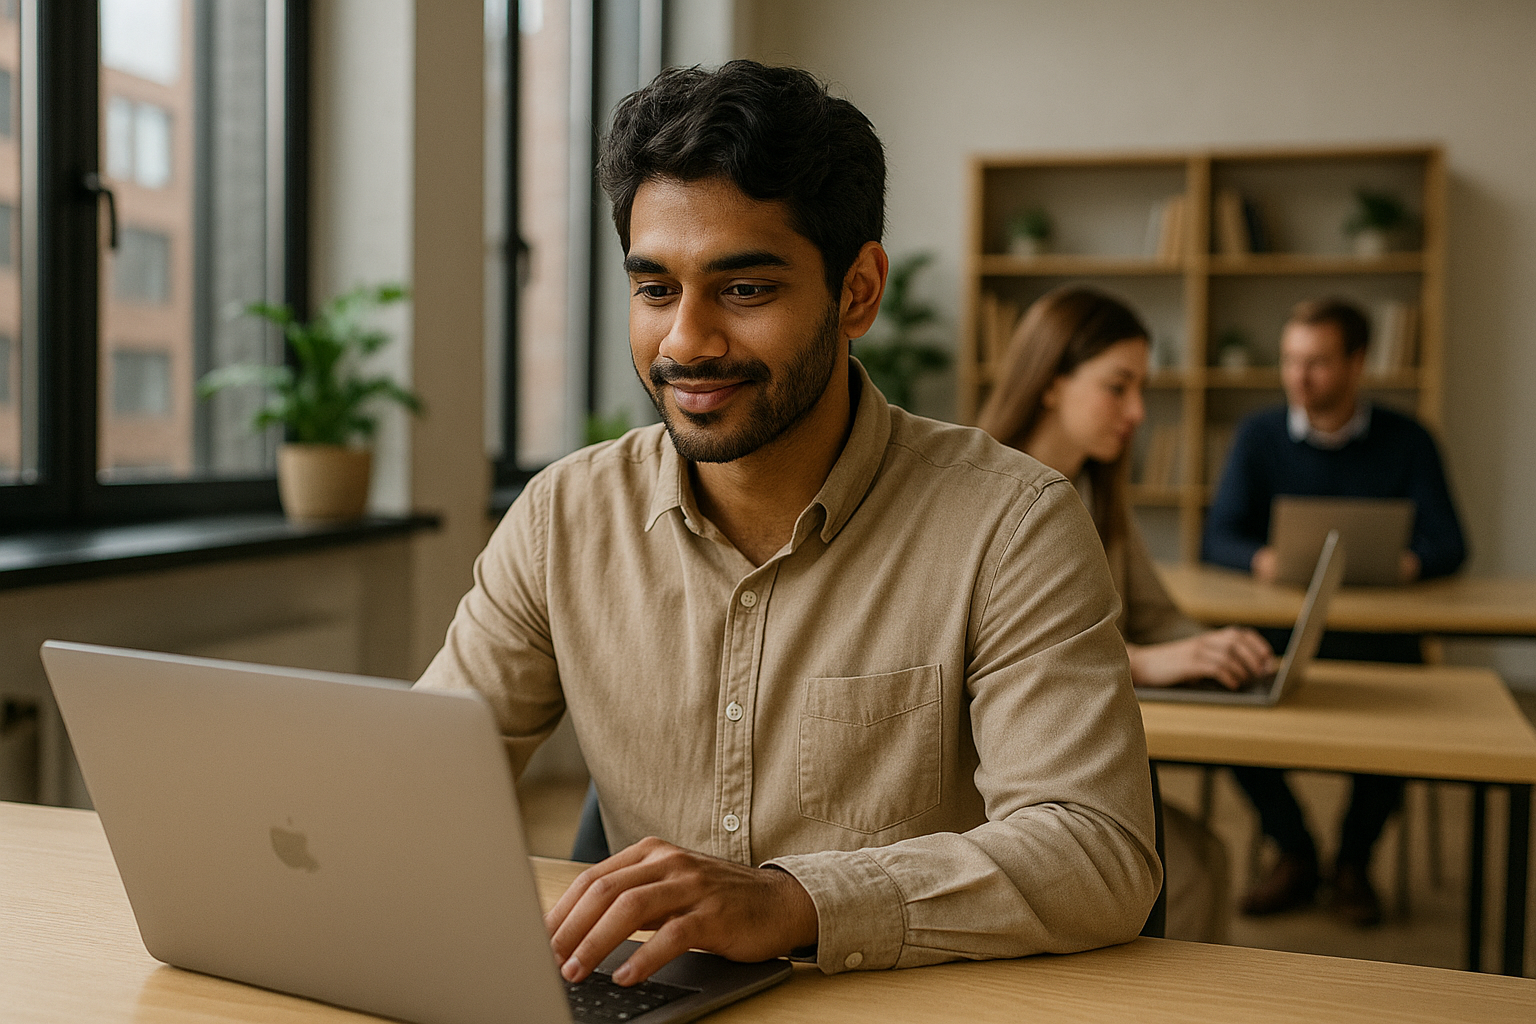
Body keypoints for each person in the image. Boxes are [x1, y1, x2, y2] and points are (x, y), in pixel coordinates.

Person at [415, 61, 1160, 988]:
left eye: (745, 290)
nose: (686, 341)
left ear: (858, 291)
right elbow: (420, 780)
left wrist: (793, 901)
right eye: (654, 290)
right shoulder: (563, 517)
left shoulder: (1011, 525)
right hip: (652, 1000)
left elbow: (1097, 851)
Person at [976, 285, 1271, 941]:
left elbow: (1157, 616)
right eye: (1119, 386)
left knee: (1199, 856)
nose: (1138, 411)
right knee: (1188, 866)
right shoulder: (981, 501)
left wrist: (1216, 649)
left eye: (1142, 388)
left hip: (1090, 757)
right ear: (1051, 383)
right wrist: (1144, 661)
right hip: (1001, 777)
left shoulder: (1094, 495)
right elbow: (990, 654)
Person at [1203, 297, 1467, 926]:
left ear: (1357, 363)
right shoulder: (1259, 435)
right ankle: (1295, 852)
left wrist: (1407, 563)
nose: (1300, 377)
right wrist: (1263, 560)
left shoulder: (1409, 440)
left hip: (1379, 631)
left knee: (1404, 715)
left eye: (1317, 363)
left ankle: (1354, 861)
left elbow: (1451, 544)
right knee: (1230, 698)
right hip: (1282, 626)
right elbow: (1216, 537)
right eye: (1292, 361)